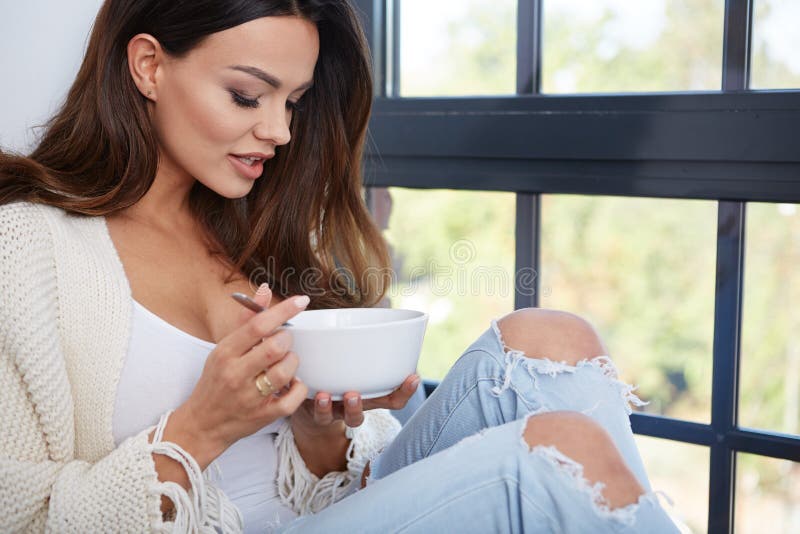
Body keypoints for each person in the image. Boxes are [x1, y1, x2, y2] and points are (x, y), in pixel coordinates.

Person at [0, 1, 681, 532]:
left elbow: (340, 481)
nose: (279, 131)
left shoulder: (260, 230)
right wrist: (201, 428)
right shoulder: (28, 246)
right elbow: (19, 519)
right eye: (247, 96)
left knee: (552, 339)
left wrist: (318, 430)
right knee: (558, 454)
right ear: (149, 65)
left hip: (328, 516)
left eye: (292, 102)